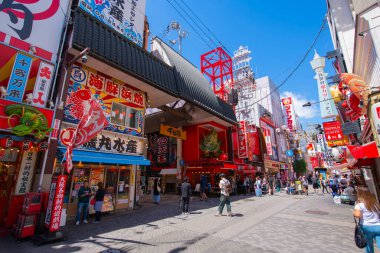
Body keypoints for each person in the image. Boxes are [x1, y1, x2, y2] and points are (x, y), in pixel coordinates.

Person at [353, 187, 380, 253]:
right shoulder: (375, 203)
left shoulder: (359, 204)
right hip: (378, 226)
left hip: (366, 227)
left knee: (368, 246)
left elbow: (358, 215)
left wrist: (353, 212)